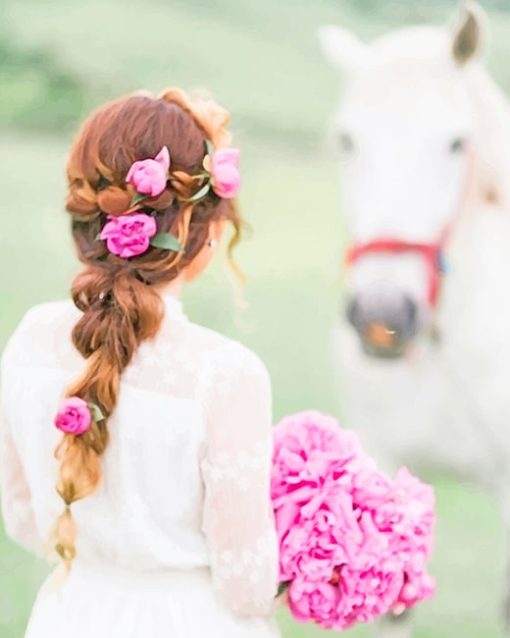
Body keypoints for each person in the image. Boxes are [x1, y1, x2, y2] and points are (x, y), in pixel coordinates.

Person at [0, 88, 280, 638]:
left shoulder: (31, 338)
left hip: (69, 614)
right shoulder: (225, 373)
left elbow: (26, 521)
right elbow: (245, 585)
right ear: (204, 232)